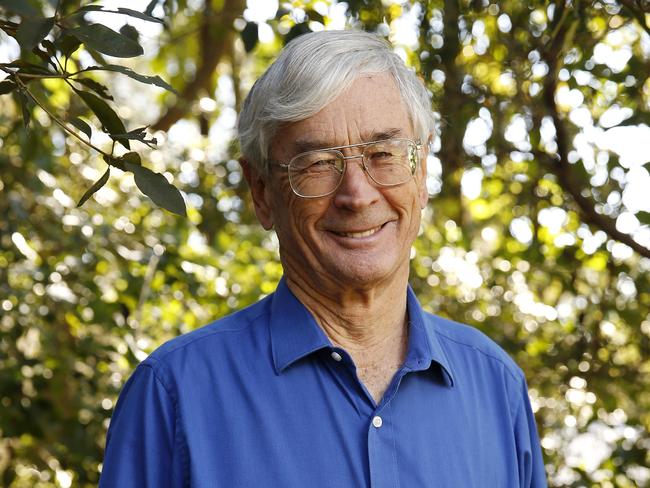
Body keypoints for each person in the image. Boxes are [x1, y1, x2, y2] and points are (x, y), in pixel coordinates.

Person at [99, 30, 547, 487]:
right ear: (261, 192)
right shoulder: (173, 396)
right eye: (317, 163)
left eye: (384, 154)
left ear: (422, 170)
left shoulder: (496, 387)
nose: (357, 194)